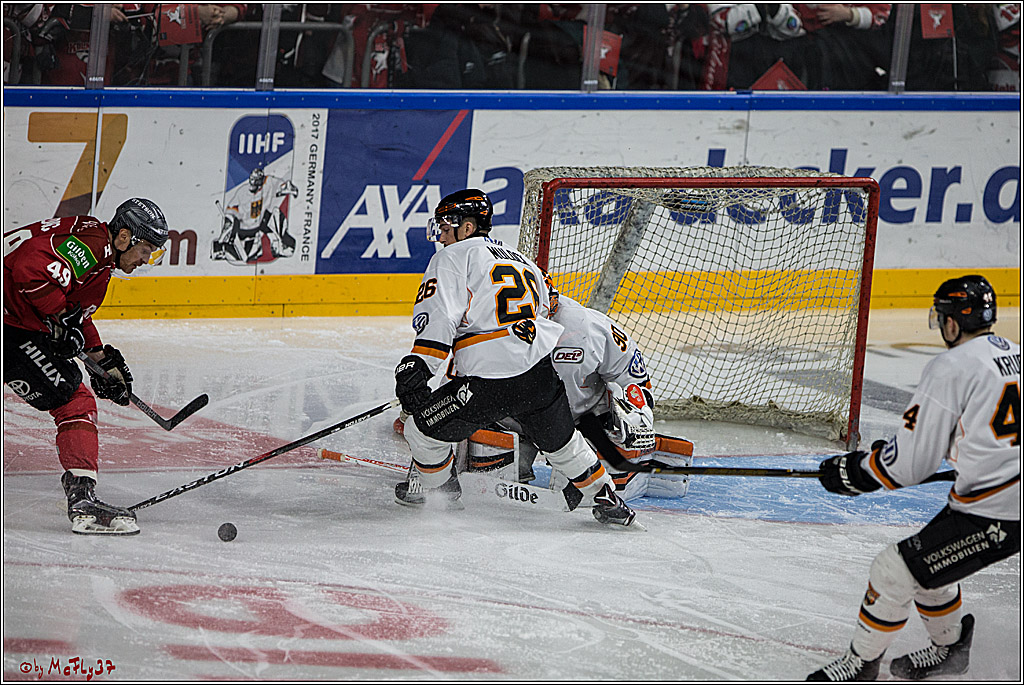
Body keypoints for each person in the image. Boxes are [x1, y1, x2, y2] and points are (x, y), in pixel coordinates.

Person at [807, 274, 1020, 681]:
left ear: (953, 322)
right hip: (998, 500)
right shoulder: (1015, 352)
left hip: (998, 511)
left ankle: (860, 664)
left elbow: (909, 465)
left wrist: (854, 472)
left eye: (942, 317)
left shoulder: (952, 366)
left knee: (892, 571)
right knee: (926, 567)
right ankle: (951, 649)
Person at [393, 188, 637, 527]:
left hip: (488, 383)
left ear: (467, 228)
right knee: (564, 443)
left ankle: (442, 496)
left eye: (448, 224)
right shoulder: (522, 260)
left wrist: (418, 367)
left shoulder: (451, 257)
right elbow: (548, 307)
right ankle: (609, 502)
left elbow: (440, 319)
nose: (443, 233)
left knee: (420, 431)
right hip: (539, 377)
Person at [3, 198, 170, 535]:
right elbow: (27, 270)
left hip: (14, 320)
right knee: (74, 401)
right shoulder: (91, 247)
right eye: (145, 249)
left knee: (76, 396)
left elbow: (74, 313)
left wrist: (103, 363)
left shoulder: (98, 252)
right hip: (11, 323)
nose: (144, 259)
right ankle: (82, 498)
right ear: (124, 237)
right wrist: (58, 316)